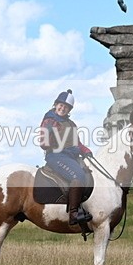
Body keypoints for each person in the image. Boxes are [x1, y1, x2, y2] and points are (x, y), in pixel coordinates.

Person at [38, 89, 93, 225]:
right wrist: (49, 135)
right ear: (56, 105)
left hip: (71, 157)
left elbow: (77, 143)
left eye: (66, 107)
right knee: (77, 176)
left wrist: (86, 151)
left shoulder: (71, 124)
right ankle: (74, 214)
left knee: (88, 174)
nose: (62, 108)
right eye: (61, 105)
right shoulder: (49, 120)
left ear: (69, 110)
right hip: (56, 156)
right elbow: (43, 144)